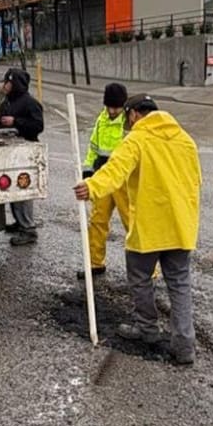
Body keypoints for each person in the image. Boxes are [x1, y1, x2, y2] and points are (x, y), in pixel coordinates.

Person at [73, 94, 201, 365]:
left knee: (140, 277)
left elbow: (115, 171)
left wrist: (92, 187)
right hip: (181, 227)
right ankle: (185, 346)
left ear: (133, 114)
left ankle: (147, 329)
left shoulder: (137, 140)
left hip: (150, 228)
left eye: (128, 118)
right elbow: (195, 182)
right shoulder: (185, 140)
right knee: (179, 284)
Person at [79, 82, 130, 279]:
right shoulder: (102, 119)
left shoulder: (129, 123)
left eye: (116, 107)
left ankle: (148, 271)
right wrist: (88, 170)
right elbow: (93, 147)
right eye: (109, 106)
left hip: (123, 180)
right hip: (103, 177)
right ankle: (95, 263)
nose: (112, 111)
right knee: (98, 221)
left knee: (132, 224)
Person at [0, 67, 44, 246]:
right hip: (10, 151)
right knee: (12, 187)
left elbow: (38, 125)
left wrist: (16, 122)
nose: (4, 85)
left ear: (16, 84)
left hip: (26, 152)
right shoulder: (6, 103)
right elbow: (4, 125)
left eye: (8, 82)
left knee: (23, 188)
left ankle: (28, 228)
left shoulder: (30, 103)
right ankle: (19, 222)